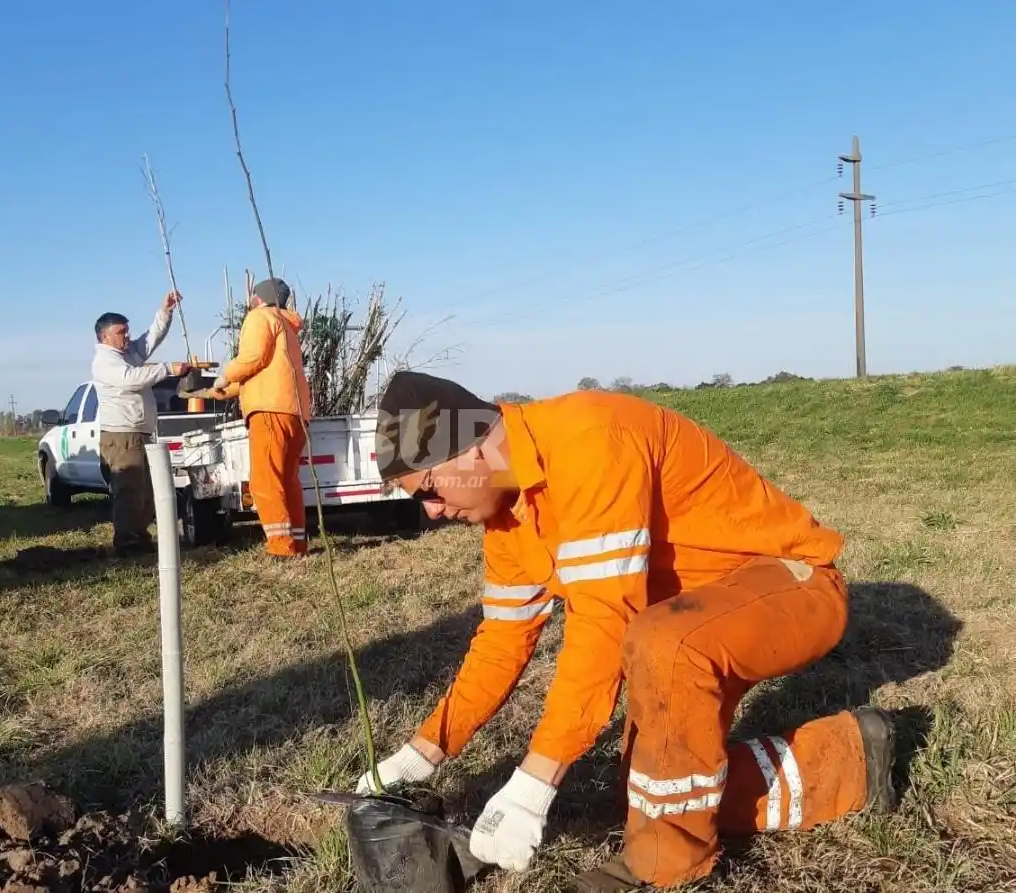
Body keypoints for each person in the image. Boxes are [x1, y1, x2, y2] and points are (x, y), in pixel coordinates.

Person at [357, 370, 898, 892]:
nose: (429, 512)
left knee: (661, 643)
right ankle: (854, 758)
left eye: (428, 487)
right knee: (653, 790)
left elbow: (602, 624)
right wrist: (422, 752)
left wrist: (534, 781)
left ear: (474, 445)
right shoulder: (508, 514)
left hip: (792, 585)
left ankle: (667, 865)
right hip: (687, 619)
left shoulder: (589, 441)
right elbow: (502, 641)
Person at [212, 277, 312, 558]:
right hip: (295, 412)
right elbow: (266, 369)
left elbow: (253, 358)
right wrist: (223, 389)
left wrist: (226, 374)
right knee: (287, 479)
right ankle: (297, 544)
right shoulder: (286, 325)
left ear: (258, 298)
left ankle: (281, 548)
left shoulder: (259, 317)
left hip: (269, 411)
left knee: (265, 481)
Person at [91, 291, 190, 557]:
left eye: (127, 330)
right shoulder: (105, 361)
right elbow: (131, 379)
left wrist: (165, 311)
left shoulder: (124, 354)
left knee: (146, 491)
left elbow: (149, 339)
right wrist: (168, 369)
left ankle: (140, 537)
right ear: (105, 336)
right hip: (123, 436)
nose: (128, 336)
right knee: (130, 491)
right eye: (122, 332)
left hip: (140, 432)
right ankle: (128, 543)